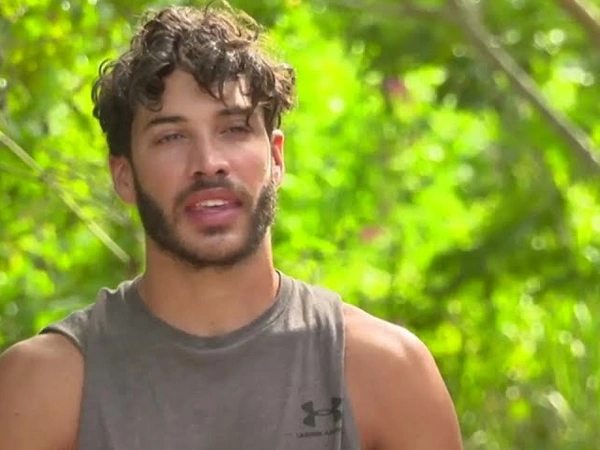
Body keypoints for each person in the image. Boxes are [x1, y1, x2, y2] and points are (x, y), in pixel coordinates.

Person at [0, 3, 463, 449]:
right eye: (171, 136)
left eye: (234, 129)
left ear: (276, 157)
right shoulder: (42, 387)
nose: (208, 162)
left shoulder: (384, 371)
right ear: (124, 176)